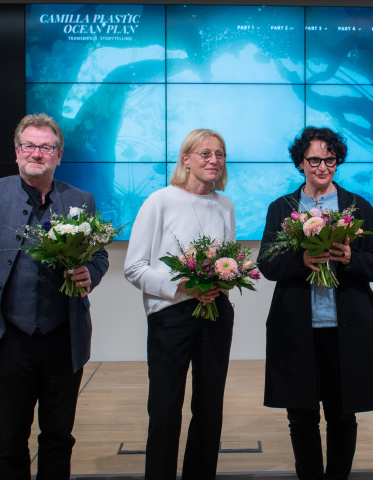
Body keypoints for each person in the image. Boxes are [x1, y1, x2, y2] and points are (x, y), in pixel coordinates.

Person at [0, 113, 110, 479]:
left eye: (46, 147)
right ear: (17, 152)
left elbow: (100, 255)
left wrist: (89, 273)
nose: (37, 153)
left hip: (64, 338)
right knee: (10, 438)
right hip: (8, 336)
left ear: (59, 156)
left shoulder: (81, 200)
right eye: (29, 145)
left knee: (59, 437)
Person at [257, 127, 373, 480]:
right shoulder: (281, 208)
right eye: (314, 159)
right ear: (300, 162)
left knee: (343, 415)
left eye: (330, 159)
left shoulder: (357, 206)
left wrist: (350, 258)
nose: (323, 167)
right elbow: (267, 264)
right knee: (301, 417)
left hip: (346, 330)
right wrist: (301, 261)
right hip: (297, 329)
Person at [124, 129, 236, 480]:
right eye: (205, 153)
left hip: (216, 313)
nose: (213, 160)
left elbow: (227, 261)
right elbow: (134, 267)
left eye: (219, 154)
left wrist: (224, 280)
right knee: (164, 408)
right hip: (170, 315)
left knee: (209, 408)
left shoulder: (226, 205)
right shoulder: (159, 201)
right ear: (185, 159)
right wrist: (183, 286)